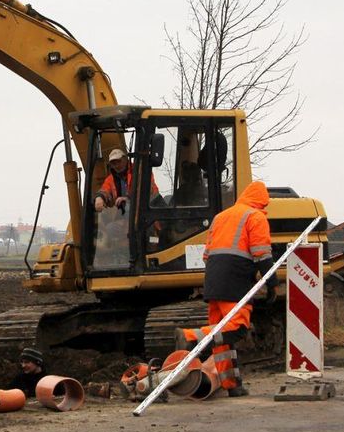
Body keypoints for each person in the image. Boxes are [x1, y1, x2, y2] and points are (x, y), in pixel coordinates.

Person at [179, 180, 273, 397]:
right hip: (235, 280)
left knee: (221, 337)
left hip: (213, 279)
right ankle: (191, 337)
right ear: (262, 200)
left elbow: (206, 254)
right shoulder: (255, 216)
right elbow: (262, 255)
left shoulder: (221, 216)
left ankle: (232, 384)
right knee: (237, 327)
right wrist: (273, 284)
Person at [94, 148, 160, 213]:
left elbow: (146, 190)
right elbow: (105, 190)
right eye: (113, 163)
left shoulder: (139, 170)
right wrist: (100, 197)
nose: (117, 165)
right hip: (128, 216)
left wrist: (128, 199)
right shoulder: (110, 179)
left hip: (151, 211)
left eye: (119, 161)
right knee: (111, 223)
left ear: (125, 159)